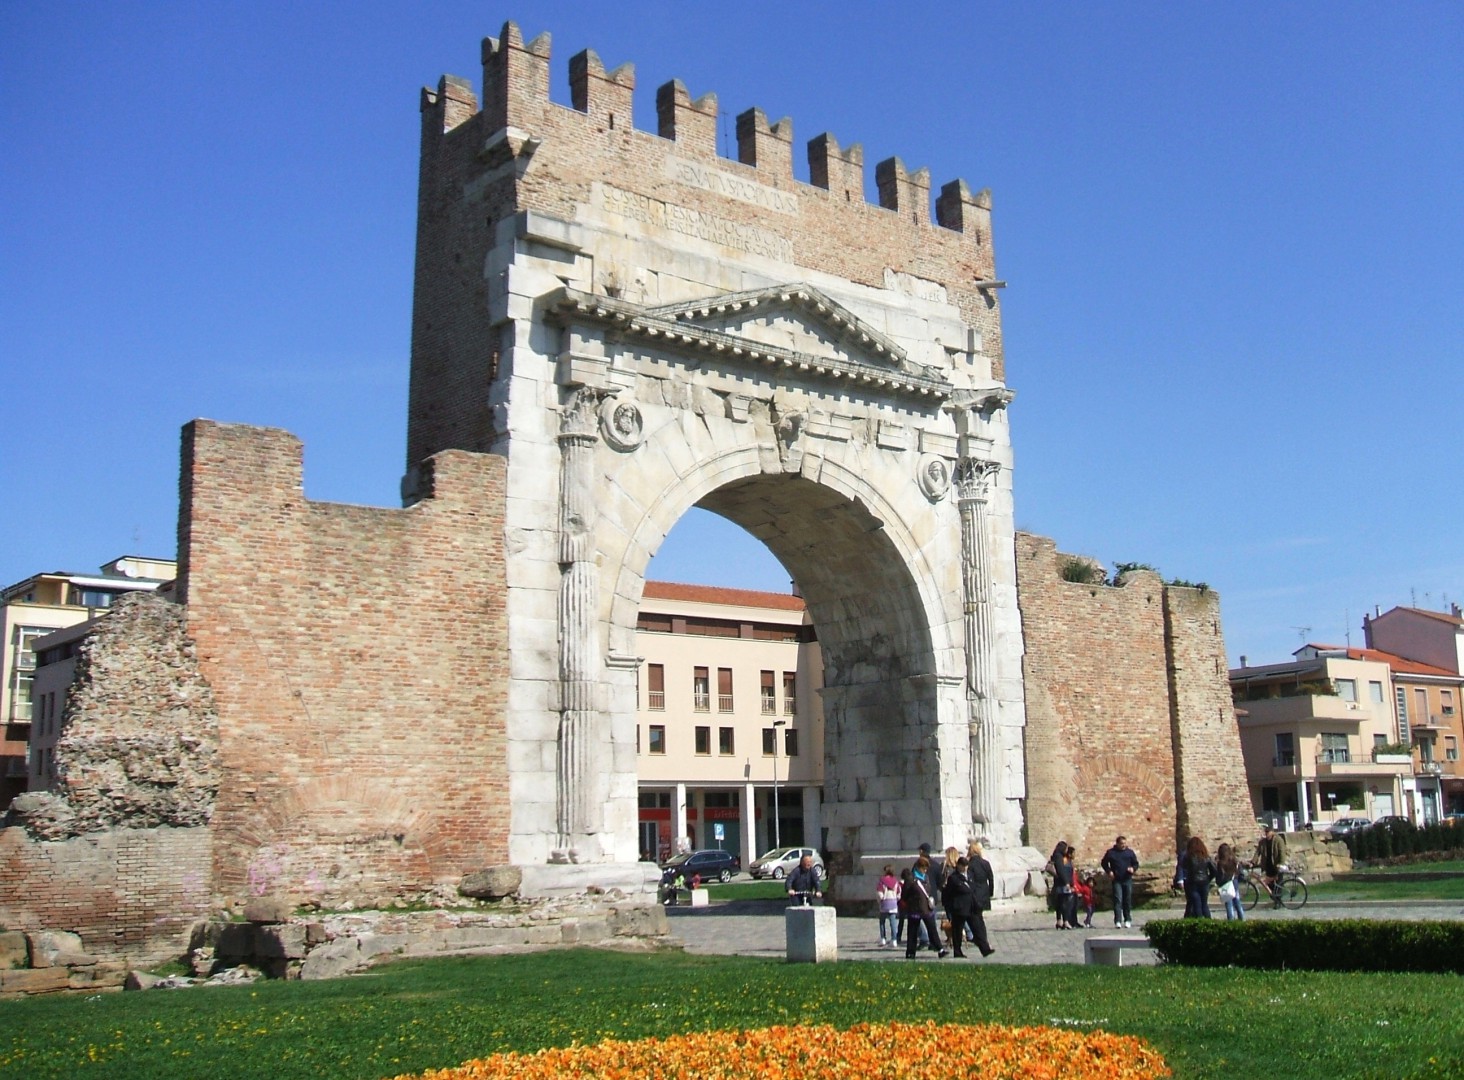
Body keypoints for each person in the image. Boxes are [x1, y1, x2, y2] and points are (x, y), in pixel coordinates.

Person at [941, 854, 995, 958]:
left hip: (971, 907)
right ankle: (957, 952)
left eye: (966, 866)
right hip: (959, 908)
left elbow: (973, 888)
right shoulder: (954, 878)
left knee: (977, 928)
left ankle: (985, 949)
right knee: (957, 931)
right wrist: (949, 907)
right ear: (959, 866)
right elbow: (948, 893)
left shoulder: (969, 875)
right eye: (963, 866)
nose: (965, 868)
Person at [903, 857, 948, 959]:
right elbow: (904, 894)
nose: (925, 870)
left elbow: (928, 890)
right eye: (924, 868)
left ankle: (940, 949)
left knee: (932, 929)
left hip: (926, 908)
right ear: (918, 867)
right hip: (915, 909)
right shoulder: (911, 878)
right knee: (913, 932)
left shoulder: (926, 877)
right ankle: (910, 952)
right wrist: (912, 901)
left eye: (926, 868)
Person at [1100, 835, 1140, 928]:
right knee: (1118, 899)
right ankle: (1118, 920)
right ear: (1117, 843)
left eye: (1125, 844)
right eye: (1121, 844)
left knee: (1127, 899)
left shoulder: (1129, 853)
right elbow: (1104, 863)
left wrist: (1133, 869)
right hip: (1117, 880)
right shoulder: (1111, 853)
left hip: (1127, 879)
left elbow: (1136, 863)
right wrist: (1109, 871)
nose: (1123, 845)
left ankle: (1127, 919)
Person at [1177, 836, 1216, 919]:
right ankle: (1209, 922)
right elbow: (1214, 870)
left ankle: (1199, 922)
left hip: (1193, 883)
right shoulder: (1206, 857)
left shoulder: (1188, 857)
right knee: (1204, 904)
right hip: (1204, 882)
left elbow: (1183, 867)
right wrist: (1208, 878)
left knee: (1197, 904)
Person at [1255, 823, 1288, 907]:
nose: (1266, 834)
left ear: (1272, 832)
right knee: (1269, 886)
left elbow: (1282, 852)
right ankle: (1276, 900)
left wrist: (1280, 864)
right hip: (1268, 866)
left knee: (1278, 885)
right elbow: (1257, 852)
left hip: (1277, 866)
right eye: (1265, 832)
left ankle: (1278, 902)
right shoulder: (1262, 842)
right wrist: (1253, 861)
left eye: (1268, 832)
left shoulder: (1278, 840)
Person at [1214, 842, 1245, 921]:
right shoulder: (1234, 860)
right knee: (1238, 902)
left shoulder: (1221, 863)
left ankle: (1231, 920)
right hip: (1234, 882)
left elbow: (1219, 876)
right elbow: (1240, 872)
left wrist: (1218, 883)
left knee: (1229, 904)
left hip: (1226, 884)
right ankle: (1242, 919)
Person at [876, 865, 901, 947]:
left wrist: (880, 900)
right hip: (893, 903)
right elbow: (899, 893)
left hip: (884, 903)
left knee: (882, 922)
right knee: (893, 922)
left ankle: (883, 938)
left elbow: (879, 892)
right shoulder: (896, 881)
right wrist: (896, 899)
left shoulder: (882, 881)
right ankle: (894, 939)